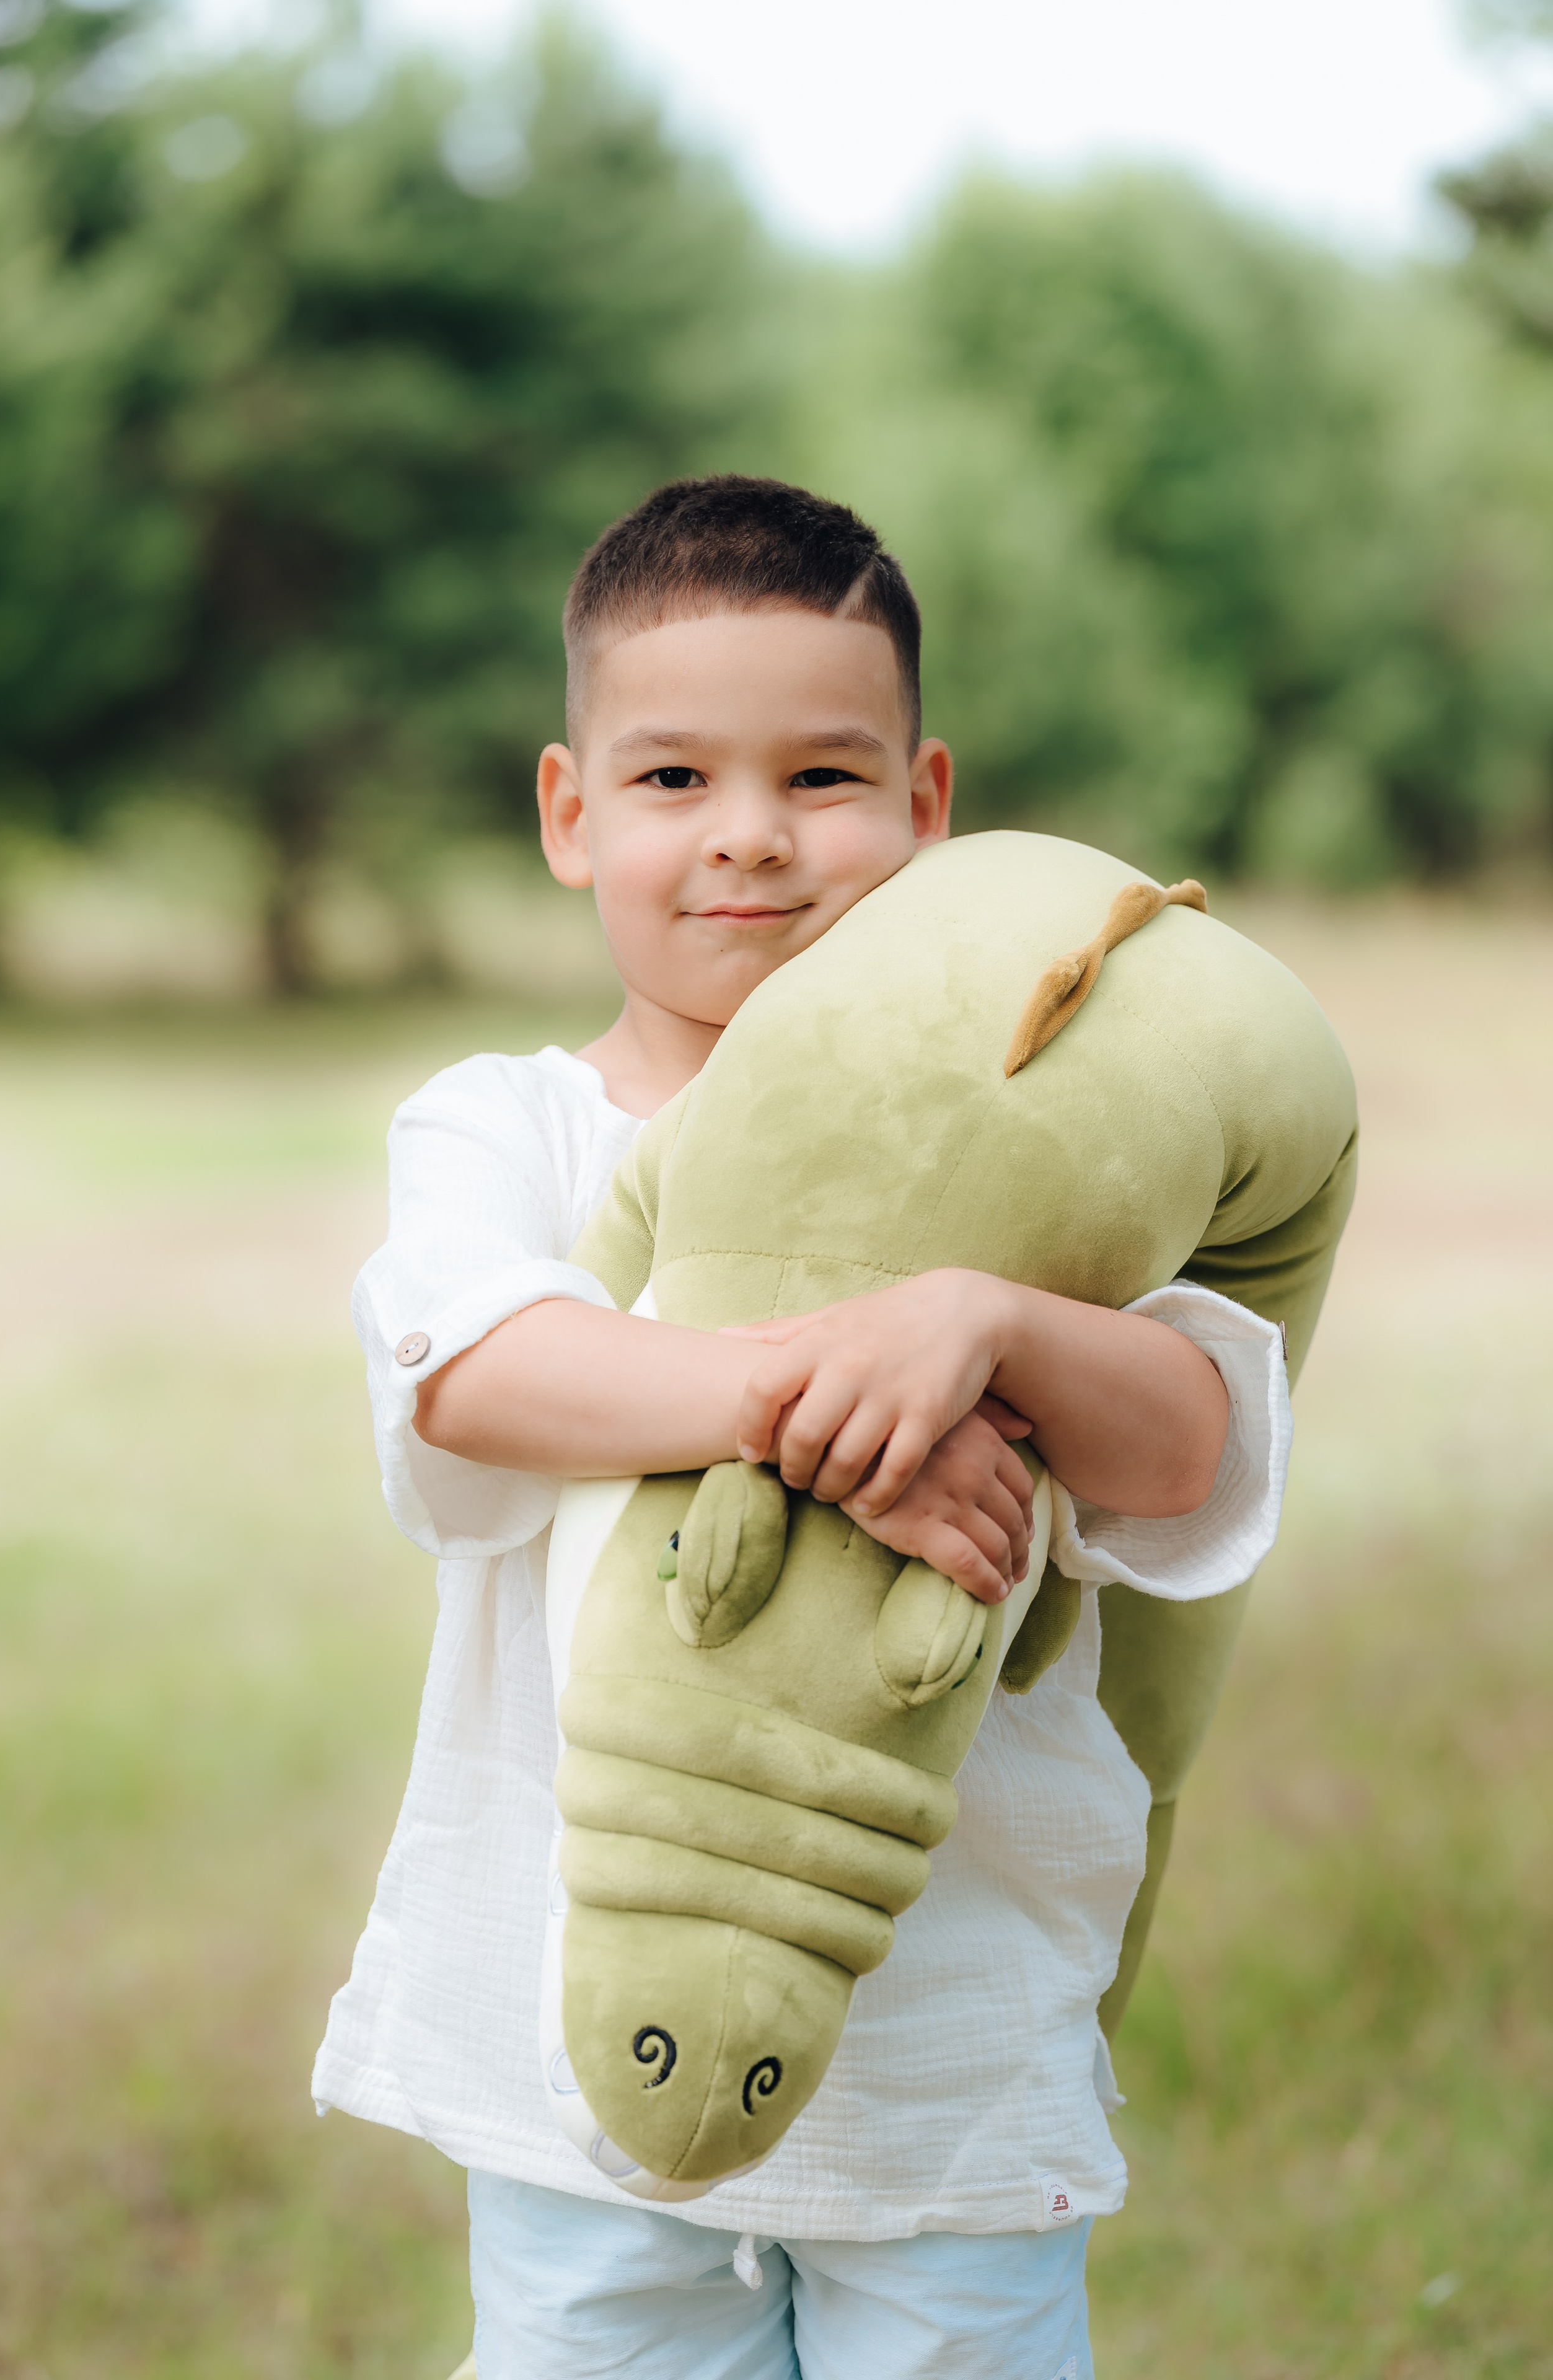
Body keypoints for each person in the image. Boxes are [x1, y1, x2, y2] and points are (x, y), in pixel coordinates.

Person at [312, 476, 1290, 2379]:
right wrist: (829, 1403)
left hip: (950, 2040)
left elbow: (1194, 1449)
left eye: (824, 779)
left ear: (929, 808)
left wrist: (983, 1323)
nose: (751, 835)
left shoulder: (1034, 1147)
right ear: (569, 812)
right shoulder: (515, 1128)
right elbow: (471, 1375)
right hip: (586, 2045)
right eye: (673, 778)